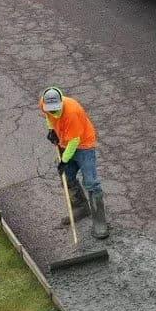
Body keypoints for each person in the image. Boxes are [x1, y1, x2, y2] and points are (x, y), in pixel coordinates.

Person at [39, 86, 109, 239]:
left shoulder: (72, 112)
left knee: (91, 182)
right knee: (66, 176)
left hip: (84, 145)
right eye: (50, 110)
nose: (53, 112)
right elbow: (49, 117)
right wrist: (51, 130)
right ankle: (81, 208)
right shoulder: (45, 104)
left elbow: (74, 141)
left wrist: (64, 160)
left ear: (61, 102)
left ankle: (100, 223)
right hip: (65, 143)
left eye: (55, 109)